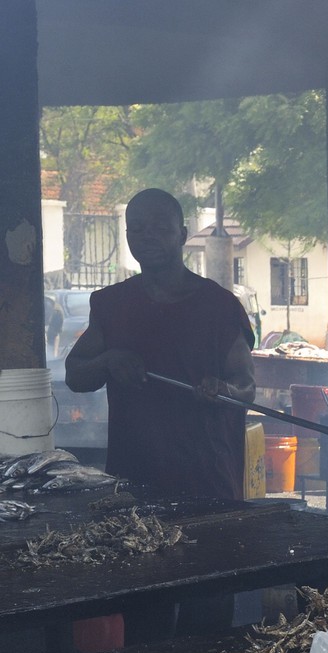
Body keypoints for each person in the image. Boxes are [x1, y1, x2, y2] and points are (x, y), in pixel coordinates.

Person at [65, 187, 255, 500]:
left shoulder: (219, 307)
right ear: (127, 235)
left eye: (160, 229)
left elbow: (246, 388)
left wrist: (225, 391)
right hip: (134, 480)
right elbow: (75, 375)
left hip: (208, 480)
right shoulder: (111, 304)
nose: (148, 237)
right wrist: (108, 360)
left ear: (181, 235)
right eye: (137, 229)